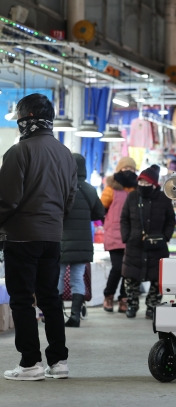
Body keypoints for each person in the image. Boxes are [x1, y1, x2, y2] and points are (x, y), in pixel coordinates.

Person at [1, 93, 77, 381]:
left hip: (21, 237)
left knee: (21, 300)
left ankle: (30, 362)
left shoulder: (19, 152)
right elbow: (69, 199)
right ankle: (59, 362)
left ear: (26, 119)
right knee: (50, 298)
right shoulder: (65, 154)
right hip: (52, 237)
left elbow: (7, 200)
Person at [120, 165, 175, 319]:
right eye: (141, 182)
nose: (143, 186)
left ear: (154, 184)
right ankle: (132, 305)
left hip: (157, 246)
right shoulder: (132, 197)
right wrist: (127, 236)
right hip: (134, 245)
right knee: (131, 278)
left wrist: (165, 236)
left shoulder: (164, 198)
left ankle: (152, 307)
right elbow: (124, 218)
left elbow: (171, 220)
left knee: (157, 279)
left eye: (146, 183)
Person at [58, 154, 105, 328]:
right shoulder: (89, 190)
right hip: (82, 242)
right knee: (77, 278)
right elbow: (100, 213)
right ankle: (75, 316)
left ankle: (55, 316)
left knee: (58, 277)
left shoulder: (60, 188)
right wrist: (86, 216)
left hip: (61, 241)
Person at [101, 156, 137, 313]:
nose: (128, 172)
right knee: (117, 267)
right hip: (114, 233)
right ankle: (109, 295)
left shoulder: (137, 188)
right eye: (125, 168)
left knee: (129, 269)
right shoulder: (111, 187)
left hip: (132, 234)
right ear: (119, 169)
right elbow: (102, 207)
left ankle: (124, 298)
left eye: (131, 169)